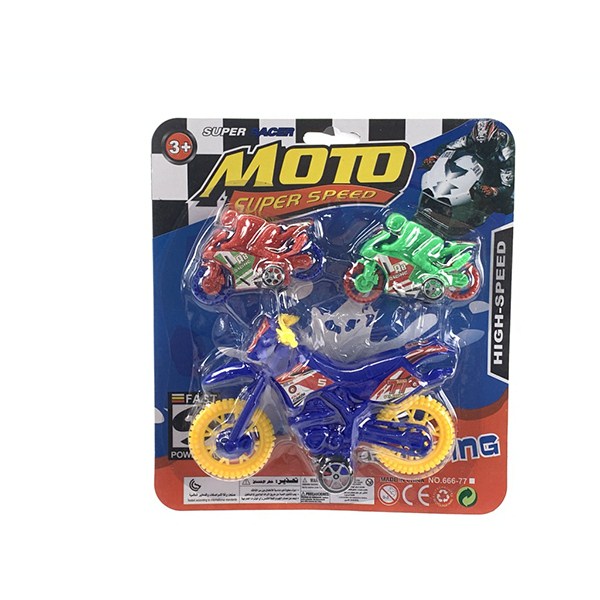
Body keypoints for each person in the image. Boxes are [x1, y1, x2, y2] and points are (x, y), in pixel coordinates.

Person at [422, 119, 514, 211]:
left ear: (494, 140)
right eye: (478, 144)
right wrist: (435, 157)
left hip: (496, 171)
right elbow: (447, 147)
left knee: (504, 205)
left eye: (486, 145)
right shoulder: (469, 139)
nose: (481, 148)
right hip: (478, 166)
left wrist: (494, 191)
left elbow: (508, 188)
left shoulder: (505, 156)